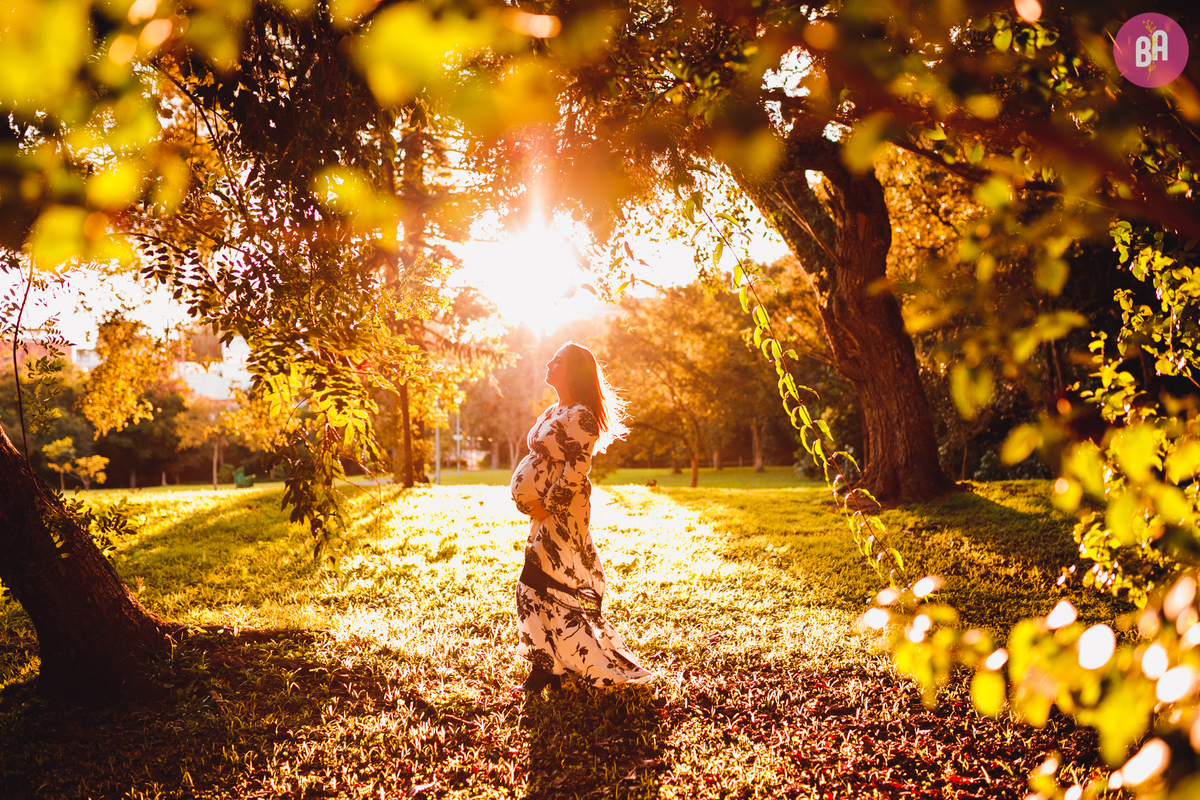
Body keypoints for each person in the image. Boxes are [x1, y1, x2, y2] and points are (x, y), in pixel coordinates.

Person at [509, 342, 652, 693]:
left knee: (542, 584)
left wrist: (549, 504)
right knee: (539, 586)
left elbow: (578, 466)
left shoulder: (581, 415)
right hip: (544, 513)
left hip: (564, 509)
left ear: (572, 372)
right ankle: (551, 666)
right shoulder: (555, 409)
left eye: (556, 361)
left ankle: (579, 665)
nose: (548, 363)